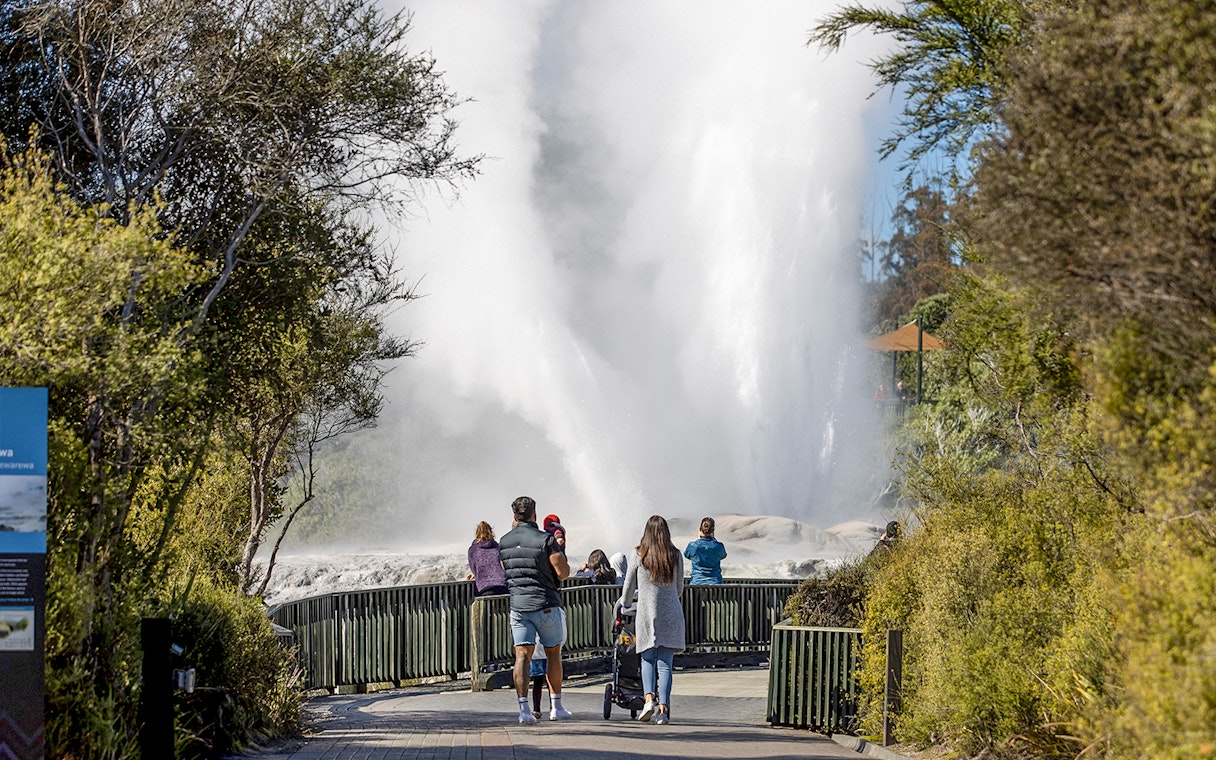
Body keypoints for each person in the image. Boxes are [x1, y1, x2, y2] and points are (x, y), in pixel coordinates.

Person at [499, 496, 572, 724]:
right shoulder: (545, 539)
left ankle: (523, 711)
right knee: (553, 653)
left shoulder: (504, 542)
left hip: (518, 607)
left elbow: (505, 569)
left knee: (521, 655)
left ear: (514, 516)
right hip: (545, 605)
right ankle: (556, 706)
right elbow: (562, 572)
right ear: (535, 513)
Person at [619, 515, 685, 725]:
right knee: (665, 664)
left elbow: (628, 587)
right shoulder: (675, 555)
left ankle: (648, 700)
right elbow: (680, 587)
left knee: (647, 659)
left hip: (647, 613)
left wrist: (626, 603)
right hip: (671, 614)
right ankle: (663, 711)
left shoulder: (639, 554)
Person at [466, 521, 508, 596]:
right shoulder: (498, 547)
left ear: (477, 533)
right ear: (491, 532)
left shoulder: (473, 550)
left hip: (484, 587)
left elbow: (474, 568)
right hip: (502, 585)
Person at [684, 516, 727, 585]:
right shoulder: (719, 546)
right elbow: (723, 555)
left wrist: (698, 540)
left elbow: (687, 555)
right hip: (715, 583)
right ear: (713, 531)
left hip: (696, 582)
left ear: (700, 529)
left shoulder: (693, 546)